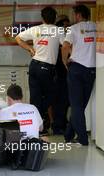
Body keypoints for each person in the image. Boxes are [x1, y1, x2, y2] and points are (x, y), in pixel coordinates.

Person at [15, 7, 64, 135]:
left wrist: (30, 49)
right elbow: (66, 45)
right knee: (54, 94)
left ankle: (35, 128)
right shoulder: (58, 31)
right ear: (55, 18)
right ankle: (38, 115)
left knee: (35, 97)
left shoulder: (35, 29)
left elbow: (18, 38)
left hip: (34, 66)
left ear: (42, 18)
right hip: (47, 68)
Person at [62, 5, 96, 146]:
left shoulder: (73, 29)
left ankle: (82, 139)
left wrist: (65, 62)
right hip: (92, 70)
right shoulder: (97, 27)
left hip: (76, 69)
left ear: (78, 15)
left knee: (76, 105)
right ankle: (69, 134)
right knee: (80, 106)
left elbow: (65, 46)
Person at [52, 15, 70, 135]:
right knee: (60, 102)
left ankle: (61, 125)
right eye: (66, 26)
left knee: (64, 102)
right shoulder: (59, 40)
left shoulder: (63, 39)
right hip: (59, 75)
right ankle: (58, 127)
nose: (68, 28)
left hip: (62, 75)